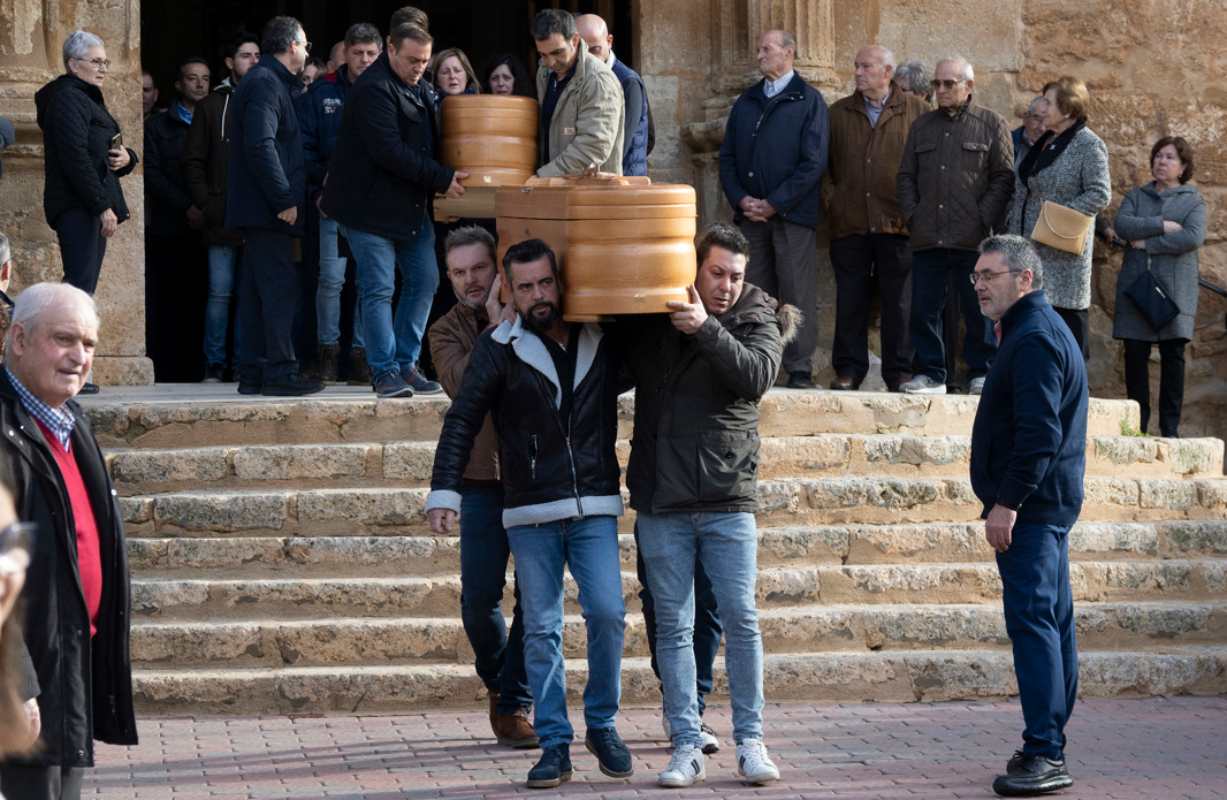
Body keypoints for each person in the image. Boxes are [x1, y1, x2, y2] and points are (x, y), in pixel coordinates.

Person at [425, 238, 632, 789]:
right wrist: (443, 489)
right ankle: (555, 742)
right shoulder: (498, 345)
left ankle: (603, 724)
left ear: (560, 281)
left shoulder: (602, 336)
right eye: (525, 287)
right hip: (530, 507)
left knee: (609, 615)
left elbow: (653, 339)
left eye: (546, 283)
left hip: (593, 505)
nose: (539, 295)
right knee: (539, 629)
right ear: (508, 291)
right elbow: (463, 416)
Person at [615, 223, 794, 788]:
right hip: (663, 497)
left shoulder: (753, 315)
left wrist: (706, 328)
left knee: (742, 621)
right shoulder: (656, 316)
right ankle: (686, 742)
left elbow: (758, 376)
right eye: (716, 273)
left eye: (736, 276)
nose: (725, 285)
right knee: (672, 625)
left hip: (727, 497)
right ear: (693, 267)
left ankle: (751, 741)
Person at [0, 282, 138, 800]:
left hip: (69, 662)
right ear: (18, 339)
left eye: (89, 344)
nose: (79, 357)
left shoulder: (70, 422)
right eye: (63, 339)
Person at [968, 235, 1086, 798]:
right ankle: (1047, 741)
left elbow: (1040, 434)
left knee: (1035, 624)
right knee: (1052, 623)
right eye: (977, 277)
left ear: (1026, 279)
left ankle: (1045, 750)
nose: (981, 285)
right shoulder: (1034, 331)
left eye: (991, 275)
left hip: (1032, 510)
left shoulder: (1035, 339)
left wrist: (1007, 503)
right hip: (1047, 505)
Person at [426, 226, 535, 748]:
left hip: (534, 478)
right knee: (478, 601)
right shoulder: (445, 331)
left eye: (480, 269)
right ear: (448, 277)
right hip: (479, 481)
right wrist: (496, 326)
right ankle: (500, 684)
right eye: (459, 272)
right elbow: (463, 384)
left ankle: (516, 700)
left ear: (498, 268)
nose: (471, 280)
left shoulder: (536, 312)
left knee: (536, 599)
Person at [321, 23, 459, 399]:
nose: (419, 67)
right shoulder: (372, 90)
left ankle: (405, 363)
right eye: (412, 60)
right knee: (379, 288)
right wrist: (443, 178)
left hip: (408, 206)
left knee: (425, 280)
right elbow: (389, 151)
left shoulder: (420, 87)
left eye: (425, 62)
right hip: (367, 209)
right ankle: (383, 373)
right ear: (390, 48)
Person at [718, 29, 828, 389]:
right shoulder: (747, 101)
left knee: (796, 292)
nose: (759, 55)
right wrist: (742, 200)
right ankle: (754, 360)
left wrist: (776, 203)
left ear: (789, 53)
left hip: (792, 216)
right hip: (750, 217)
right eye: (759, 48)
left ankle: (798, 368)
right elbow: (728, 158)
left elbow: (813, 163)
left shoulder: (808, 100)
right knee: (751, 289)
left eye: (767, 49)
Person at [897, 56, 1013, 396]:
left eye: (949, 84)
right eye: (937, 84)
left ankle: (983, 370)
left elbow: (1003, 178)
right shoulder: (922, 126)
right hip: (928, 235)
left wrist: (982, 218)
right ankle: (931, 373)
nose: (941, 90)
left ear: (969, 86)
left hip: (973, 239)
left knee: (980, 307)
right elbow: (905, 176)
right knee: (924, 309)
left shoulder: (992, 124)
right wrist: (913, 215)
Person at [34, 30, 139, 394]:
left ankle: (71, 370)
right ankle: (58, 367)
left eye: (105, 62)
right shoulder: (66, 98)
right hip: (79, 206)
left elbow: (100, 154)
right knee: (77, 288)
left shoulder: (85, 98)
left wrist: (129, 159)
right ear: (72, 64)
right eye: (96, 61)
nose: (103, 68)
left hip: (90, 202)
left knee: (81, 289)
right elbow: (76, 158)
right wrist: (102, 205)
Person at [224, 16, 321, 396]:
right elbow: (261, 144)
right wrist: (284, 198)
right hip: (269, 209)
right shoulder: (265, 83)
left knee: (255, 290)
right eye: (307, 45)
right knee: (278, 288)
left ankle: (252, 372)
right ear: (293, 45)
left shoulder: (266, 81)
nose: (308, 52)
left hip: (260, 208)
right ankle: (280, 372)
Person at [826, 45, 929, 392]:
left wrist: (914, 211)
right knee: (850, 298)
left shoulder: (917, 111)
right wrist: (834, 200)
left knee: (899, 302)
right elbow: (823, 168)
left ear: (887, 72)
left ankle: (899, 371)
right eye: (856, 66)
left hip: (898, 223)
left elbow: (926, 168)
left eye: (865, 66)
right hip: (850, 220)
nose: (857, 72)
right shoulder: (837, 113)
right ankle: (849, 369)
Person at [297, 22, 381, 384]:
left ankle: (363, 355)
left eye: (370, 54)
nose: (364, 60)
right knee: (331, 280)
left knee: (370, 281)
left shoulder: (387, 88)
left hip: (374, 205)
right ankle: (327, 353)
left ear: (381, 54)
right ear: (345, 53)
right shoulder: (321, 92)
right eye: (358, 52)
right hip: (332, 203)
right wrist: (318, 188)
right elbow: (302, 148)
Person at [1006, 76, 1111, 360]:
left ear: (1068, 109)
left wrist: (1054, 220)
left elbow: (1100, 193)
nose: (1042, 105)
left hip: (1062, 254)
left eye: (1049, 101)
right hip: (1030, 249)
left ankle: (1073, 394)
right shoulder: (1047, 140)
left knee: (1066, 331)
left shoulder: (1088, 144)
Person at [1111, 137, 1205, 438]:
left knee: (1173, 357)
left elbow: (1191, 237)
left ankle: (1169, 429)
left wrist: (1148, 243)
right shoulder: (1137, 196)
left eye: (1169, 158)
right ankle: (1137, 427)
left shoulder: (1193, 200)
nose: (1161, 162)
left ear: (1183, 166)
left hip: (1175, 290)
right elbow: (1124, 225)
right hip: (1138, 287)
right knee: (1135, 355)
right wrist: (1162, 225)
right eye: (1158, 156)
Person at [184, 31, 260, 383]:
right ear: (230, 63)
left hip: (258, 217)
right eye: (246, 56)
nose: (253, 62)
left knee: (253, 294)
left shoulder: (267, 96)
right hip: (221, 217)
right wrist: (207, 203)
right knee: (219, 293)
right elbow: (194, 160)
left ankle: (247, 362)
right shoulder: (211, 106)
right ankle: (214, 363)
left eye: (258, 55)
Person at [144, 57, 211, 383]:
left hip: (209, 227)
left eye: (204, 78)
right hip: (171, 227)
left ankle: (204, 368)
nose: (199, 84)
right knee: (169, 302)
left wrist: (208, 208)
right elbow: (152, 174)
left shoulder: (219, 120)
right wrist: (187, 206)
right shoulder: (158, 127)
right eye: (192, 78)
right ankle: (169, 369)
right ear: (178, 84)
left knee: (206, 300)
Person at [532, 9, 625, 177]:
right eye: (543, 54)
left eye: (557, 52)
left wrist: (543, 176)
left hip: (589, 196)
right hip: (551, 189)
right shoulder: (544, 72)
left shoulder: (598, 80)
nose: (551, 62)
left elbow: (594, 146)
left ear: (574, 40)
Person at [575, 14, 651, 177]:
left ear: (609, 42)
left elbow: (625, 141)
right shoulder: (580, 78)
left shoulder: (628, 81)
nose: (590, 59)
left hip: (622, 180)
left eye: (595, 50)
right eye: (582, 51)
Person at [1012, 96, 1046, 170]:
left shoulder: (1058, 147)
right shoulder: (1008, 142)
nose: (1042, 128)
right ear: (1025, 118)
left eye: (1048, 120)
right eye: (1037, 118)